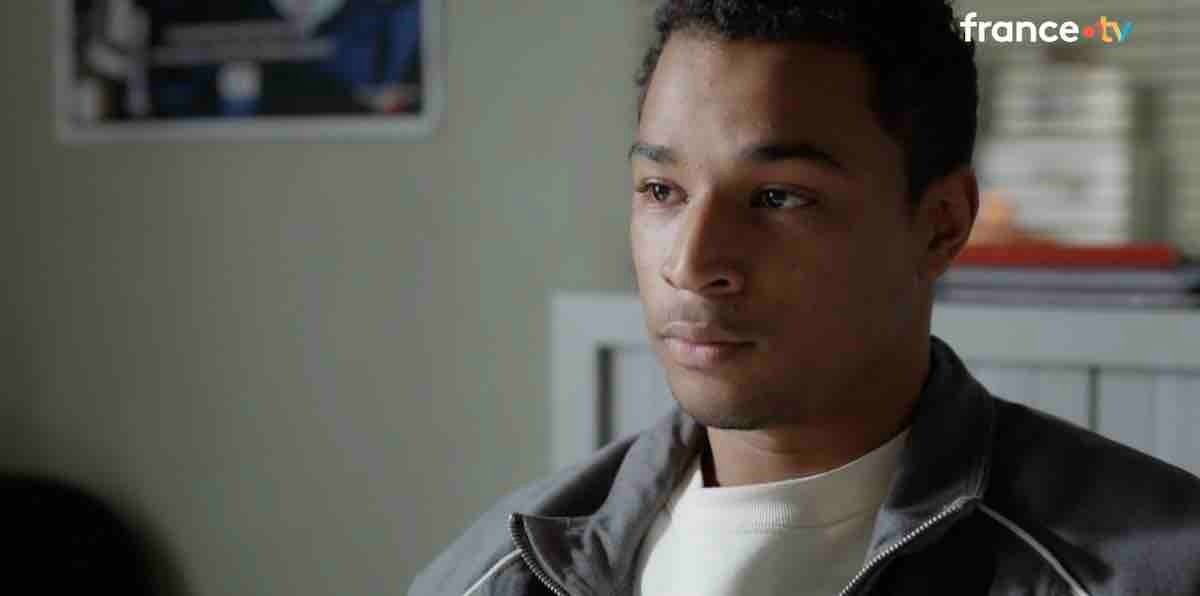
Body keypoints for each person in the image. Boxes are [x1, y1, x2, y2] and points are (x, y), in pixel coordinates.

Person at [410, 1, 1200, 594]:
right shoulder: (494, 575)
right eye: (661, 190)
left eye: (779, 197)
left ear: (941, 224)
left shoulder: (1153, 568)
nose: (692, 264)